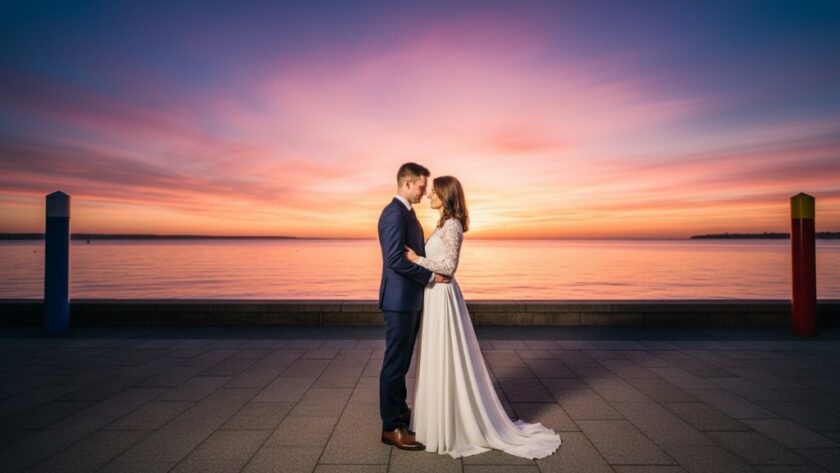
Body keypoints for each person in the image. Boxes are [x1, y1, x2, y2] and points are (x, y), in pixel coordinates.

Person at [404, 176, 561, 459]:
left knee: (446, 357)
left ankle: (452, 425)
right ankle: (437, 422)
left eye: (434, 193)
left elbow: (449, 267)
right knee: (436, 356)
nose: (429, 196)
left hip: (443, 296)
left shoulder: (452, 226)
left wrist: (417, 260)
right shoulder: (443, 224)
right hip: (434, 295)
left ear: (445, 195)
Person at [377, 162, 451, 451]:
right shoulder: (393, 214)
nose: (423, 192)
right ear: (407, 183)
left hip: (409, 299)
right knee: (394, 363)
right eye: (421, 186)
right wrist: (431, 276)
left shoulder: (407, 213)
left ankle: (400, 410)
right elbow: (394, 260)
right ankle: (390, 427)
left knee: (402, 360)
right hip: (398, 301)